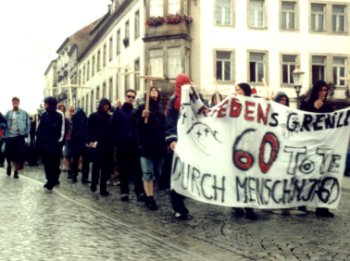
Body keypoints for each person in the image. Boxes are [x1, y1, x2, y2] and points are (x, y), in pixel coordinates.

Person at [299, 80, 334, 218]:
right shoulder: (306, 104)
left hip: (323, 146)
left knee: (323, 177)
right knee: (307, 176)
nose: (323, 93)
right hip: (309, 146)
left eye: (325, 90)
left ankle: (322, 207)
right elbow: (303, 123)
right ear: (315, 91)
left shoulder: (328, 107)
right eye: (320, 90)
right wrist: (314, 109)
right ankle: (301, 201)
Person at [165, 73, 192, 220]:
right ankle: (178, 206)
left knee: (186, 175)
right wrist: (171, 139)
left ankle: (181, 202)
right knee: (177, 175)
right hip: (177, 144)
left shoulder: (193, 99)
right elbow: (170, 122)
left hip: (190, 143)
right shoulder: (173, 101)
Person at [135, 87, 166, 210]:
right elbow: (135, 122)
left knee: (157, 172)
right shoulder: (143, 107)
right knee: (147, 173)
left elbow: (163, 125)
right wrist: (142, 117)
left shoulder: (161, 107)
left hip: (158, 146)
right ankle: (149, 198)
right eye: (151, 90)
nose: (153, 92)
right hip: (146, 145)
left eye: (155, 91)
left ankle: (148, 193)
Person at [111, 89, 145, 202]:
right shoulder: (119, 111)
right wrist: (117, 141)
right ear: (125, 97)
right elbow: (112, 125)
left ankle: (139, 191)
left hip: (134, 144)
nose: (130, 98)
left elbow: (140, 126)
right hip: (122, 145)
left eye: (133, 97)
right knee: (123, 169)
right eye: (129, 96)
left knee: (137, 170)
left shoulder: (136, 112)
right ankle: (124, 192)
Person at [232, 83, 258, 220]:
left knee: (249, 177)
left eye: (239, 90)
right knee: (238, 177)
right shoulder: (233, 106)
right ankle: (237, 203)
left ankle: (249, 206)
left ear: (245, 92)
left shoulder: (254, 106)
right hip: (237, 148)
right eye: (235, 90)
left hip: (251, 147)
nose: (236, 92)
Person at [36, 97, 65, 191]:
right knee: (46, 164)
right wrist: (39, 140)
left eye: (45, 103)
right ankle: (49, 180)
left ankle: (52, 181)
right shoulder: (43, 114)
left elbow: (63, 130)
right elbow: (39, 128)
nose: (44, 104)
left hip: (55, 145)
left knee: (55, 164)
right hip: (45, 145)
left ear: (50, 104)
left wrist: (59, 143)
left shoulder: (60, 114)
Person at [86, 98, 114, 197]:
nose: (106, 106)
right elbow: (88, 129)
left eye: (108, 105)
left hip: (108, 145)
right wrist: (89, 141)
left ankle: (103, 188)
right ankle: (94, 184)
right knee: (96, 166)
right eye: (104, 104)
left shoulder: (110, 117)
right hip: (97, 144)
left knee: (106, 168)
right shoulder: (93, 116)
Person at [4, 97, 31, 178]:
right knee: (8, 154)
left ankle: (16, 171)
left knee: (18, 155)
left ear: (19, 103)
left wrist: (26, 133)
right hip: (9, 136)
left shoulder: (24, 113)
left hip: (19, 136)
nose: (15, 103)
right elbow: (4, 123)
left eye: (16, 102)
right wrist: (4, 134)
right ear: (12, 103)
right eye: (13, 102)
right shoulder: (8, 113)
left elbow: (28, 124)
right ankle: (8, 165)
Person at [69, 108, 88, 183]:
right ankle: (84, 177)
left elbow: (73, 130)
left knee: (75, 160)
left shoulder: (75, 118)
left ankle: (74, 175)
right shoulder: (85, 118)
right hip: (83, 141)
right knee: (85, 160)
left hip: (76, 142)